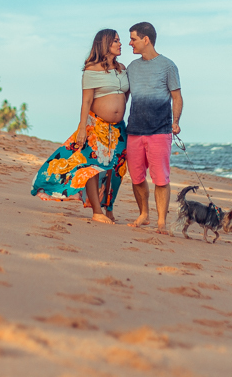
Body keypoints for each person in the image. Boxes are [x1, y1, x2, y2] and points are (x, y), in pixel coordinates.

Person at [30, 29, 130, 224]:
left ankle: (109, 208)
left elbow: (124, 96)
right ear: (105, 43)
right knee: (91, 167)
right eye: (116, 41)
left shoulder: (122, 68)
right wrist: (82, 127)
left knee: (115, 169)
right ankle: (97, 211)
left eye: (119, 40)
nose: (120, 44)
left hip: (118, 129)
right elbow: (86, 102)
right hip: (96, 126)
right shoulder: (92, 69)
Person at [124, 21, 181, 234]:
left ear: (146, 39)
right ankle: (144, 214)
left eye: (133, 39)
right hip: (135, 130)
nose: (130, 43)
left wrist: (175, 122)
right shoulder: (131, 68)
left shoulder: (168, 66)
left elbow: (177, 97)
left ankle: (161, 222)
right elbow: (124, 97)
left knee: (160, 178)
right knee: (137, 177)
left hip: (160, 130)